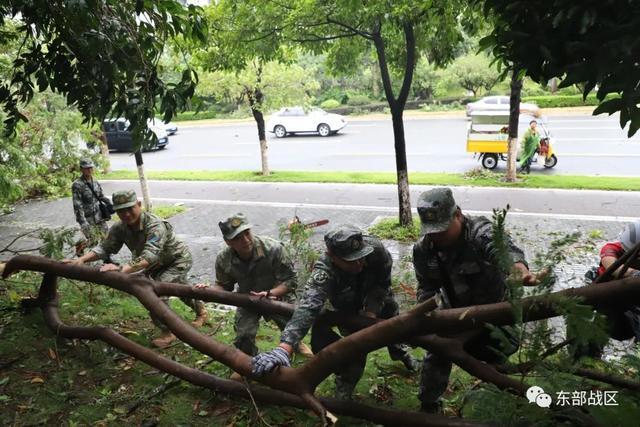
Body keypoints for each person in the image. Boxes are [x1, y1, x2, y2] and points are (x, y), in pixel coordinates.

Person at [251, 225, 419, 400]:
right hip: (348, 308)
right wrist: (284, 347)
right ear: (332, 257)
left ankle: (401, 353)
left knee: (393, 328)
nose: (359, 263)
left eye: (361, 257)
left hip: (379, 299)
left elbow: (383, 283)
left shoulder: (376, 250)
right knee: (355, 349)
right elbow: (308, 306)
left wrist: (370, 313)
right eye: (351, 260)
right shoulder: (324, 271)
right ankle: (344, 389)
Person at [413, 187, 541, 413]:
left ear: (458, 215)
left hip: (495, 312)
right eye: (431, 230)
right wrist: (424, 315)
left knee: (498, 360)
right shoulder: (424, 249)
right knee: (436, 355)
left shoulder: (479, 233)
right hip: (455, 314)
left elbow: (503, 250)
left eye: (442, 229)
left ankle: (509, 403)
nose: (436, 235)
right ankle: (429, 405)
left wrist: (518, 270)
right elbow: (427, 285)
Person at [65, 190, 207, 348]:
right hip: (155, 265)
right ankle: (201, 311)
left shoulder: (154, 225)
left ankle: (168, 332)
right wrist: (81, 260)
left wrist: (120, 270)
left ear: (139, 205)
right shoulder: (120, 228)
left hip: (177, 260)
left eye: (129, 208)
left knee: (156, 293)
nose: (126, 214)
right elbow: (105, 248)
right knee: (179, 288)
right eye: (120, 211)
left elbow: (148, 257)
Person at [195, 213, 312, 379]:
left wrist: (271, 293)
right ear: (228, 241)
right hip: (247, 299)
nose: (245, 240)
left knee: (291, 326)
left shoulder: (273, 248)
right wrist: (208, 291)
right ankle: (246, 362)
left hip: (276, 295)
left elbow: (290, 280)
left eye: (247, 233)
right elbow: (224, 286)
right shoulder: (224, 258)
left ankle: (296, 344)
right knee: (243, 334)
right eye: (237, 237)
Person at [572, 222, 640, 359]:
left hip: (630, 299)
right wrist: (634, 274)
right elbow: (612, 266)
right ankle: (586, 355)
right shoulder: (611, 249)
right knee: (602, 324)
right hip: (607, 295)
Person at [71, 158, 111, 247]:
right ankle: (81, 246)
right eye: (86, 168)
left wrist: (110, 203)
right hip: (87, 218)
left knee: (106, 237)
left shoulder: (95, 182)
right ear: (81, 169)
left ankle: (106, 258)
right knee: (93, 241)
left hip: (99, 216)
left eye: (90, 167)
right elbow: (77, 205)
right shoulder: (77, 185)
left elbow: (101, 196)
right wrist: (83, 222)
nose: (89, 170)